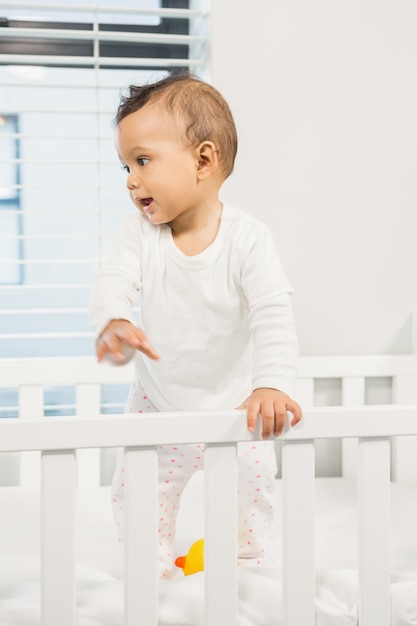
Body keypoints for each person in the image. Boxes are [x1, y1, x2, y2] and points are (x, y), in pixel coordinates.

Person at [89, 72, 302, 579]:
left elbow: (274, 313)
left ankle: (245, 564)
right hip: (158, 401)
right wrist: (115, 320)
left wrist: (271, 384)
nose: (129, 179)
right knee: (137, 490)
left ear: (203, 161)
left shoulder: (247, 239)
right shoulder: (139, 234)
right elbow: (113, 279)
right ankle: (152, 570)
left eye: (142, 161)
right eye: (125, 165)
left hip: (235, 402)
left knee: (251, 491)